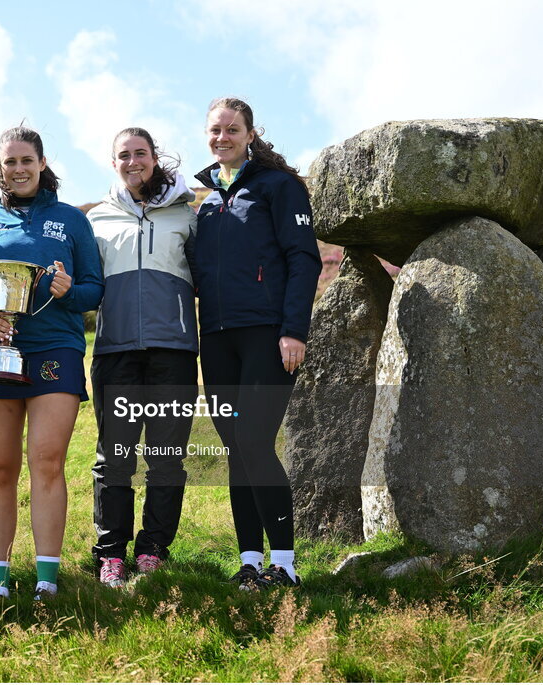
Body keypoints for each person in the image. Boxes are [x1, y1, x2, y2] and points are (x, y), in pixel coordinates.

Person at [0, 126, 103, 601]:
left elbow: (94, 288)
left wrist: (68, 292)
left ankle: (46, 579)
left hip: (56, 349)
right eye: (9, 162)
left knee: (47, 462)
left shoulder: (70, 220)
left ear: (41, 163)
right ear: (0, 167)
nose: (18, 169)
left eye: (26, 160)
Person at [193, 97, 322, 589]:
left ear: (250, 134)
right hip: (218, 339)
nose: (221, 137)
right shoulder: (206, 203)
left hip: (268, 335)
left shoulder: (278, 187)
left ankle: (285, 565)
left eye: (232, 129)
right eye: (214, 130)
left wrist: (294, 330)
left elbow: (303, 260)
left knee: (252, 441)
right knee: (235, 448)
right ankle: (249, 560)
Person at [86, 128, 198, 587]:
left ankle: (153, 548)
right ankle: (111, 552)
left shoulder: (188, 217)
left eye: (141, 154)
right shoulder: (97, 220)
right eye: (124, 155)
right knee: (114, 456)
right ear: (113, 163)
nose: (133, 162)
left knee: (166, 455)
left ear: (155, 158)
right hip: (115, 353)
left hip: (173, 351)